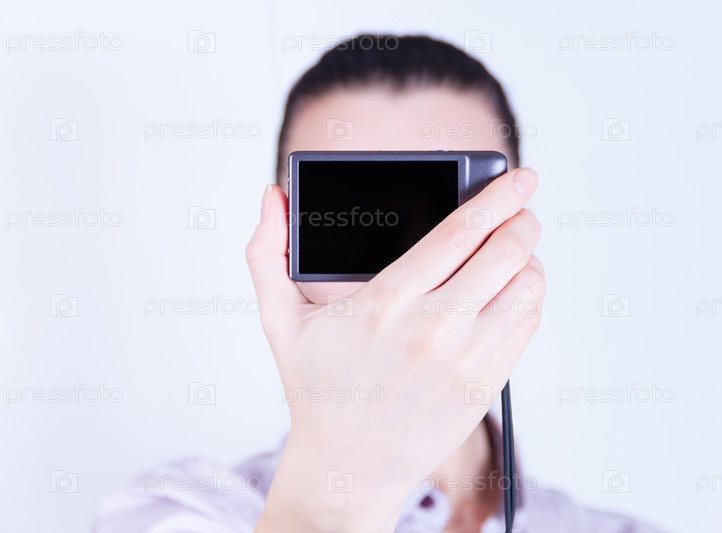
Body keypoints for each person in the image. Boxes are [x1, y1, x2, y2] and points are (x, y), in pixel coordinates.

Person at [94, 34, 663, 533]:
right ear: (282, 238)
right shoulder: (174, 513)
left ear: (512, 231)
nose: (396, 282)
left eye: (444, 215)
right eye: (347, 213)